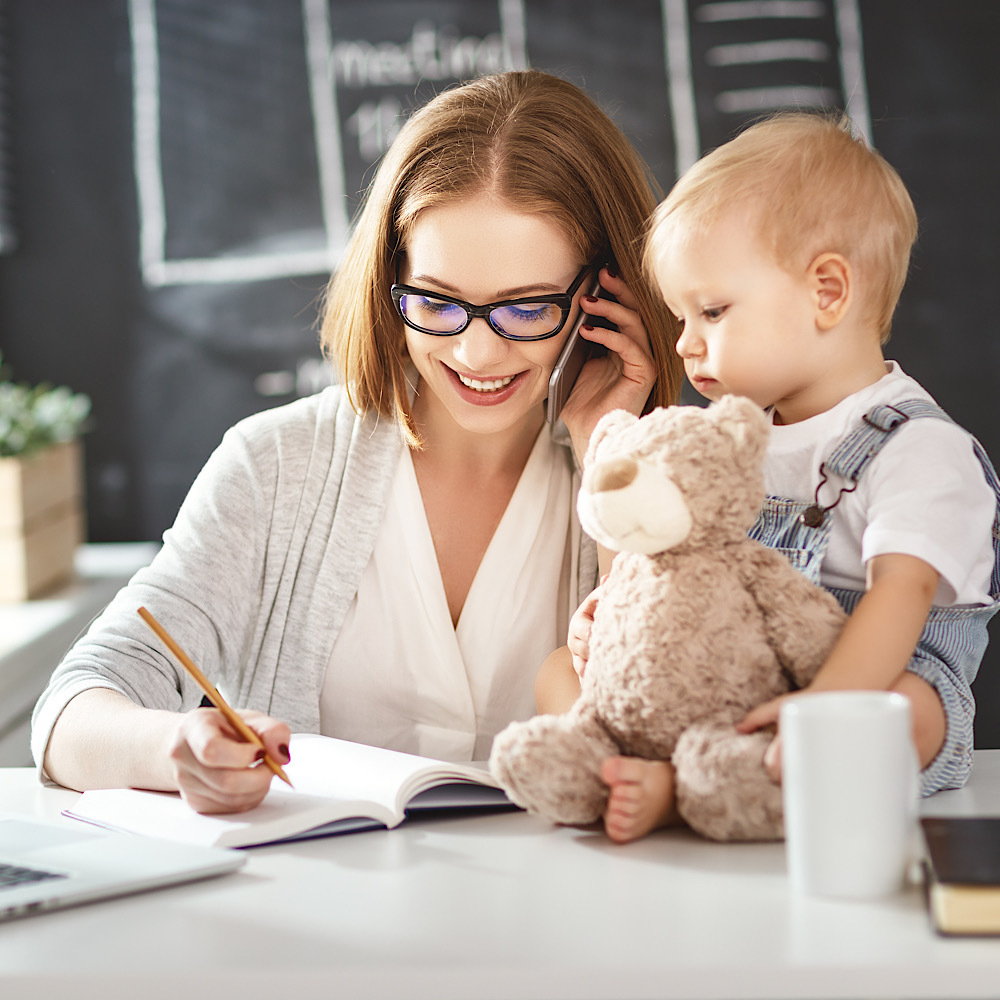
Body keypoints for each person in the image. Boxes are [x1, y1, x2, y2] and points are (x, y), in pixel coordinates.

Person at [32, 69, 680, 814]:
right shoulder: (276, 466)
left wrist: (612, 450)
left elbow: (662, 735)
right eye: (436, 301)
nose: (476, 356)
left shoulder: (657, 479)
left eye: (526, 308)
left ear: (601, 298)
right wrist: (174, 748)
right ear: (390, 281)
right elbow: (70, 715)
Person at [539, 111, 1000, 843]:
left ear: (827, 292)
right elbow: (669, 557)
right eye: (681, 317)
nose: (687, 344)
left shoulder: (919, 448)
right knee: (560, 668)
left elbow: (902, 596)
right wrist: (617, 613)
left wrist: (823, 709)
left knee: (909, 714)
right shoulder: (731, 439)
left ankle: (680, 787)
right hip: (739, 676)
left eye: (711, 311)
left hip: (869, 685)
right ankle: (624, 760)